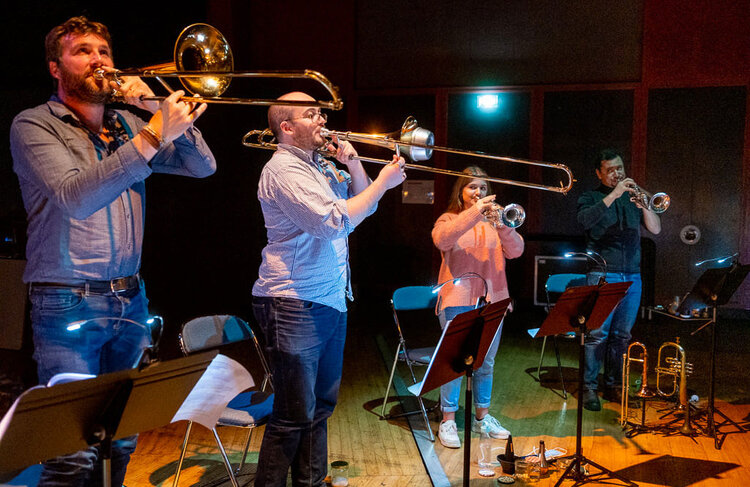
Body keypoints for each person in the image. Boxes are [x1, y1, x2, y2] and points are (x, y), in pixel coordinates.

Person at [9, 16, 216, 486]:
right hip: (66, 301)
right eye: (83, 50)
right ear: (55, 68)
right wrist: (152, 133)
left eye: (104, 51)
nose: (98, 60)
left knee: (122, 440)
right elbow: (77, 196)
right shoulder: (34, 125)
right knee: (71, 453)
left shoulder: (126, 122)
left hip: (130, 298)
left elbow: (203, 167)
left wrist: (149, 105)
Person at [251, 91, 406, 486]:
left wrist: (354, 163)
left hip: (328, 298)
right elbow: (332, 223)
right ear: (286, 127)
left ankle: (312, 482)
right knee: (292, 414)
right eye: (311, 114)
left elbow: (361, 205)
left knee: (320, 407)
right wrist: (385, 183)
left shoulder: (317, 166)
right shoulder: (284, 169)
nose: (322, 119)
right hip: (293, 300)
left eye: (321, 113)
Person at [431, 166, 524, 448]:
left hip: (493, 300)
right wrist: (475, 213)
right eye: (472, 187)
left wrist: (503, 226)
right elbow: (442, 239)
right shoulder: (449, 219)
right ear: (461, 191)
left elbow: (517, 250)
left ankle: (482, 417)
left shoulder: (496, 223)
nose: (478, 192)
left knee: (485, 364)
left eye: (483, 188)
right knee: (455, 363)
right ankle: (448, 419)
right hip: (457, 301)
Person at [576, 149, 661, 411]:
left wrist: (644, 205)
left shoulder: (633, 198)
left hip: (632, 275)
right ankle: (589, 387)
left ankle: (614, 385)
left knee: (622, 336)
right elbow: (584, 221)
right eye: (611, 169)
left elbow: (656, 228)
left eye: (620, 168)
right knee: (597, 335)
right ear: (599, 173)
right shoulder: (591, 197)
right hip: (603, 274)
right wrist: (613, 195)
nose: (617, 173)